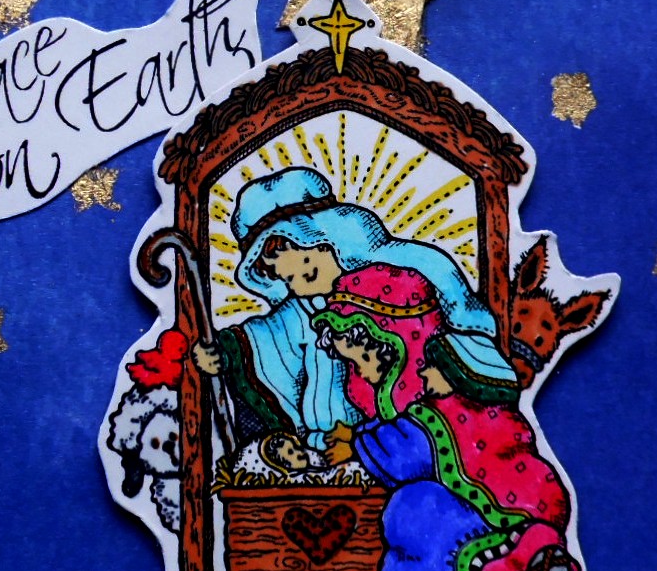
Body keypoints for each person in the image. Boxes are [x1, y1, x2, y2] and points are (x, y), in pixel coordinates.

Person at [312, 263, 581, 571]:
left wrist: (355, 447)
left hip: (493, 514)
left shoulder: (444, 413)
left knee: (414, 509)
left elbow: (406, 451)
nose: (423, 371)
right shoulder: (482, 413)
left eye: (432, 367)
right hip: (519, 508)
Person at [194, 167, 516, 450]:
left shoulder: (392, 284)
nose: (301, 285)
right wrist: (224, 352)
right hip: (324, 443)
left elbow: (445, 313)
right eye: (289, 279)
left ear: (329, 239)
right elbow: (265, 338)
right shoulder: (303, 307)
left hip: (403, 435)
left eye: (309, 269)